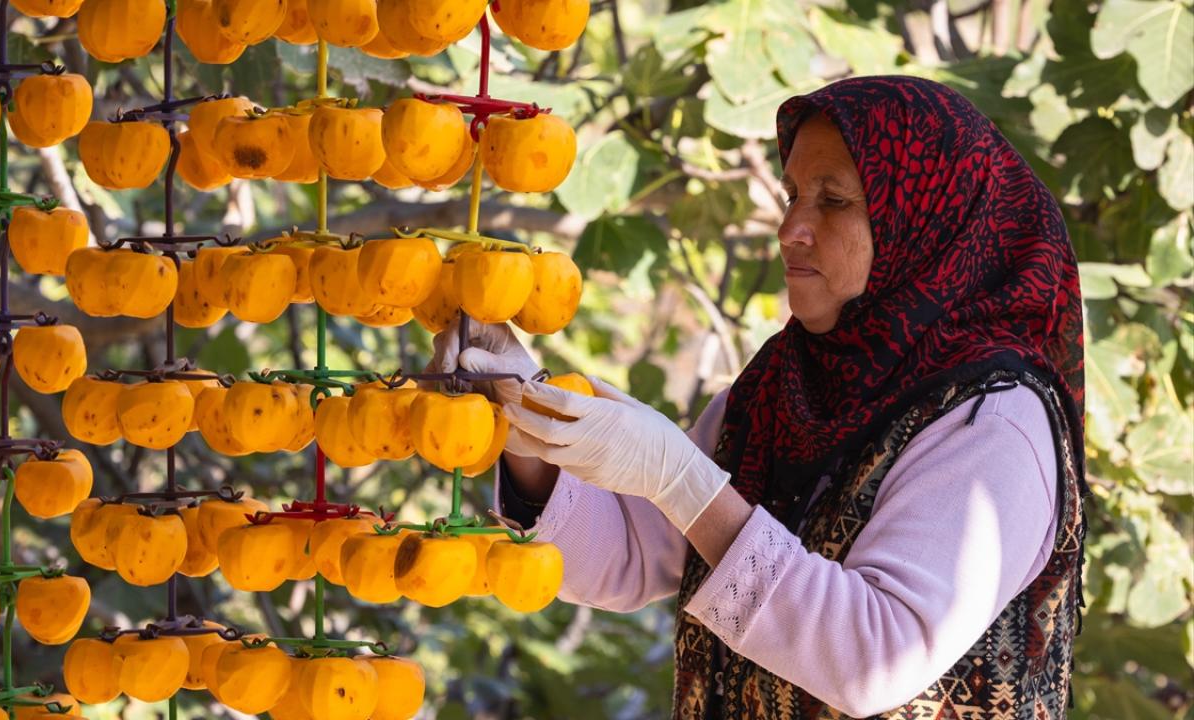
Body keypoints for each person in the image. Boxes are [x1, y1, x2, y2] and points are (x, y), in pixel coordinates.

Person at [430, 76, 1086, 719]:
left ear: (928, 220)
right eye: (793, 194)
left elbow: (874, 660)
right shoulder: (786, 382)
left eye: (833, 201)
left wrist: (680, 479)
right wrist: (526, 423)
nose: (792, 228)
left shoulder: (994, 424)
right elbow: (634, 555)